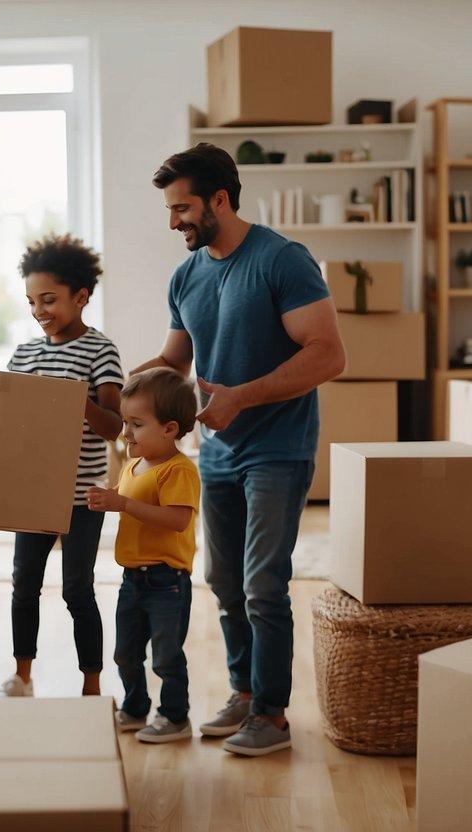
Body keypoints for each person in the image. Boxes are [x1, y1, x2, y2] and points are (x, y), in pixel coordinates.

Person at [134, 143, 345, 757]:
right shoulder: (188, 274)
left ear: (219, 200)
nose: (174, 222)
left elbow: (329, 355)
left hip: (278, 446)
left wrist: (241, 398)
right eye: (171, 210)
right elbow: (176, 362)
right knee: (223, 581)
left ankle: (274, 716)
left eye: (182, 208)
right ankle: (245, 693)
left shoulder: (283, 261)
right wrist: (111, 385)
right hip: (219, 451)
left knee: (263, 583)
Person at [0, 234, 124, 698]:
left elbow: (113, 427)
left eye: (48, 299)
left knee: (76, 589)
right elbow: (8, 422)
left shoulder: (100, 351)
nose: (39, 310)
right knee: (23, 584)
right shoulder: (24, 355)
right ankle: (22, 676)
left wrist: (75, 402)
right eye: (31, 301)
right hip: (33, 493)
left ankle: (91, 685)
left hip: (82, 496)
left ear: (81, 296)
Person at [86, 368, 201, 743]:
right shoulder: (135, 465)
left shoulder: (179, 471)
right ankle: (136, 709)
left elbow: (177, 520)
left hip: (167, 582)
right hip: (132, 579)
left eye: (136, 424)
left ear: (169, 429)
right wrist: (107, 499)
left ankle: (174, 717)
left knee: (166, 657)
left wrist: (123, 503)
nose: (125, 433)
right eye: (125, 422)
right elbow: (125, 497)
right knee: (125, 653)